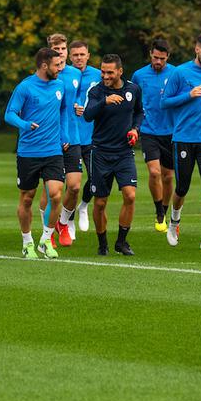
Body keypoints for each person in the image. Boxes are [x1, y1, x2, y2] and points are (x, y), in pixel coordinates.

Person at [161, 34, 201, 250]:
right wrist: (188, 95)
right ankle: (174, 221)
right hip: (184, 139)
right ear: (196, 49)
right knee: (182, 188)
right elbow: (165, 102)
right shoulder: (180, 72)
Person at [4, 47, 69, 260]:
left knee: (56, 193)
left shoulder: (60, 85)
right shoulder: (25, 87)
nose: (60, 68)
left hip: (53, 150)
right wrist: (24, 124)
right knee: (27, 198)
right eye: (56, 65)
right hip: (29, 152)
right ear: (44, 66)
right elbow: (9, 114)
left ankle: (46, 240)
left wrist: (64, 136)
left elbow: (64, 111)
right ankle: (27, 242)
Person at [83, 54, 142, 256]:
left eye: (109, 72)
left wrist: (135, 129)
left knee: (130, 195)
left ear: (119, 71)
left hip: (124, 153)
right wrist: (104, 102)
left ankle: (122, 242)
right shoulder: (97, 91)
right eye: (103, 71)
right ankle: (102, 244)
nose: (105, 75)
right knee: (100, 202)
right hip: (100, 153)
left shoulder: (133, 89)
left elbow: (139, 112)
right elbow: (87, 115)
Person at [130, 38, 176, 233]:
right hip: (148, 130)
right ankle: (158, 211)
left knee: (168, 177)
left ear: (168, 57)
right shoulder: (139, 75)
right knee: (155, 172)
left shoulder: (176, 73)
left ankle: (165, 210)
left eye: (162, 59)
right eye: (156, 57)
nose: (158, 62)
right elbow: (132, 102)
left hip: (171, 131)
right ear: (150, 54)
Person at [43, 33, 84, 247]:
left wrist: (79, 106)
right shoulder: (47, 76)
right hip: (51, 139)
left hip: (73, 135)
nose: (60, 53)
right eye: (56, 49)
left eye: (63, 49)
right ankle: (46, 232)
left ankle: (63, 222)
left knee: (75, 187)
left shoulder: (75, 74)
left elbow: (74, 101)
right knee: (51, 192)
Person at [70, 40, 102, 233]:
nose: (79, 58)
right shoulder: (63, 75)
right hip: (71, 137)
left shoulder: (98, 75)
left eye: (82, 54)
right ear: (69, 57)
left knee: (96, 179)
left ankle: (83, 206)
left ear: (88, 55)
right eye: (75, 55)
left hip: (92, 137)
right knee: (71, 184)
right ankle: (69, 220)